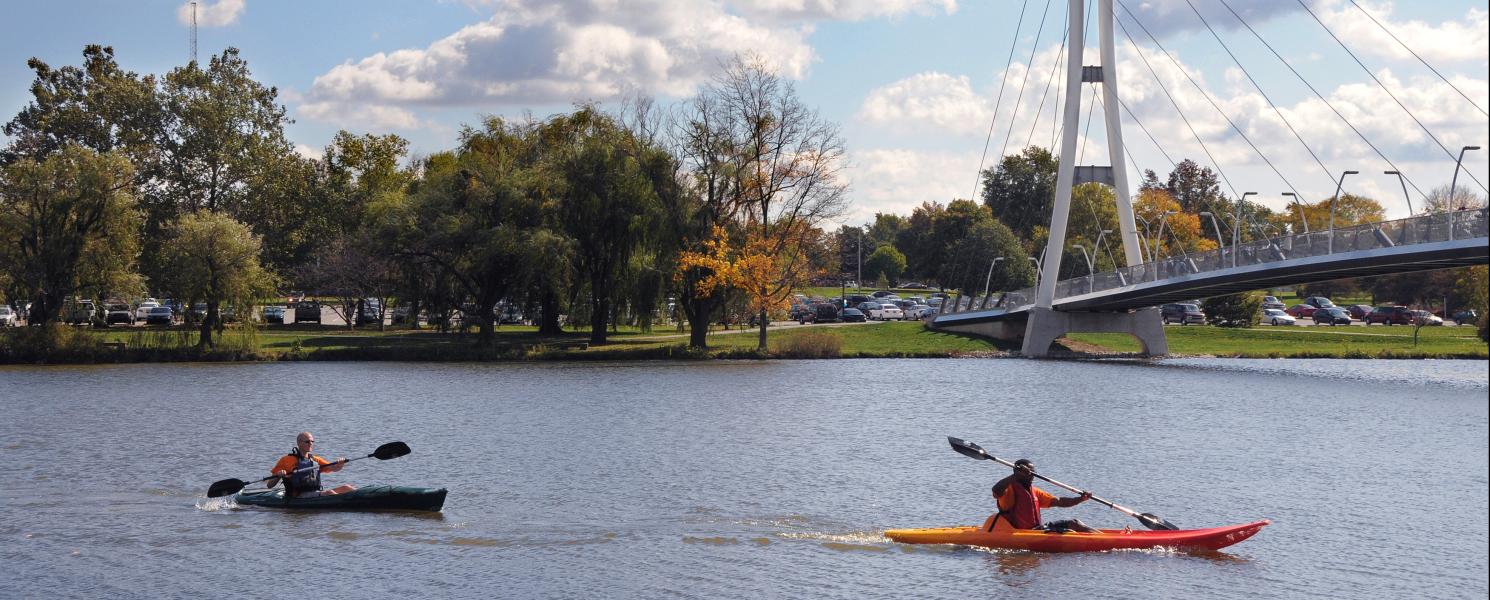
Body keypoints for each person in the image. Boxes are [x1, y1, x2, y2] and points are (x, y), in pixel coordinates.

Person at [988, 458, 1098, 533]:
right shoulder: (1009, 491)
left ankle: (1101, 538)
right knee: (1071, 527)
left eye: (1034, 473)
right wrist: (1015, 475)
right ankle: (1103, 541)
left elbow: (1059, 501)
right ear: (1019, 474)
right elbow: (996, 491)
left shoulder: (1034, 492)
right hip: (1021, 534)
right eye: (1029, 473)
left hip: (1037, 530)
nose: (1032, 476)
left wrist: (1080, 499)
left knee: (1074, 523)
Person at [269, 432, 356, 497]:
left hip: (315, 493)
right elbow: (270, 485)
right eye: (307, 441)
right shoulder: (286, 460)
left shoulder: (315, 459)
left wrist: (340, 465)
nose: (311, 443)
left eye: (312, 441)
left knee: (347, 487)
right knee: (330, 493)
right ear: (299, 443)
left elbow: (334, 468)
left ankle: (363, 499)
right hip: (298, 496)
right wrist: (278, 475)